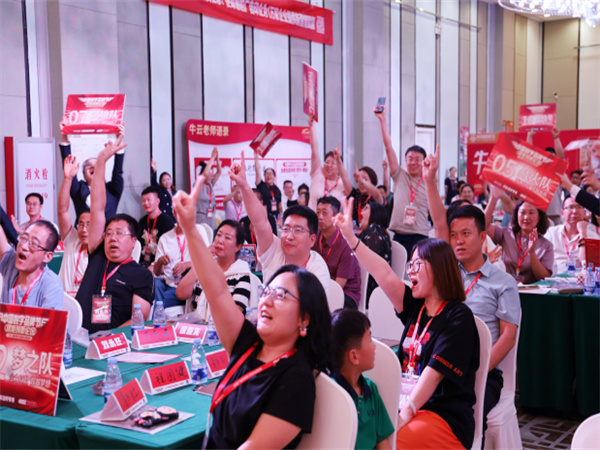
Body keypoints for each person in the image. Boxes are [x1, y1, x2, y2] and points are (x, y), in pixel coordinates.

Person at [172, 176, 331, 448]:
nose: (266, 301)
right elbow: (217, 291)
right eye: (267, 292)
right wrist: (190, 229)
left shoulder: (296, 379)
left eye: (281, 295)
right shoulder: (247, 344)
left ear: (305, 319)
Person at [334, 198, 479, 450]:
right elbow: (383, 272)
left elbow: (433, 375)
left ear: (439, 269)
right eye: (409, 264)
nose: (409, 271)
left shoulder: (458, 317)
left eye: (416, 264)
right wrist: (351, 239)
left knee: (387, 443)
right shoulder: (416, 306)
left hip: (442, 416)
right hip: (403, 404)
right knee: (356, 432)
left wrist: (404, 415)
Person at [446, 205, 520, 433]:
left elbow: (508, 337)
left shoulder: (503, 282)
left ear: (482, 237)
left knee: (459, 416)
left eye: (465, 233)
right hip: (443, 366)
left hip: (483, 374)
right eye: (453, 235)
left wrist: (478, 371)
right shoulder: (446, 276)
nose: (459, 241)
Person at [75, 136, 154, 333]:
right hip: (76, 337)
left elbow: (137, 322)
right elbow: (98, 206)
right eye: (109, 233)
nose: (112, 238)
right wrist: (101, 160)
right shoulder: (98, 253)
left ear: (134, 241)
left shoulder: (142, 275)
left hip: (111, 342)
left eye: (119, 233)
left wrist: (107, 340)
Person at [230, 151, 331, 292]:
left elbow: (308, 305)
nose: (289, 236)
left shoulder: (317, 268)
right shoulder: (275, 251)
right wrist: (243, 185)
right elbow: (260, 222)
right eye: (286, 229)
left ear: (312, 240)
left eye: (298, 230)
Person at [330, 309, 395, 450]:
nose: (374, 346)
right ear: (354, 356)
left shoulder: (371, 389)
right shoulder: (331, 395)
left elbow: (382, 442)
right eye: (370, 340)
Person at [375, 105, 428, 258]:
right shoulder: (399, 176)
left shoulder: (428, 182)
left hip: (420, 236)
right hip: (399, 235)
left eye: (417, 159)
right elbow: (388, 147)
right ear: (405, 160)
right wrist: (382, 120)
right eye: (410, 159)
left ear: (424, 162)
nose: (413, 162)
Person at [175, 219, 251, 322]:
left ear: (238, 247)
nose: (220, 241)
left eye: (227, 237)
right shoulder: (205, 265)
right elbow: (181, 293)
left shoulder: (241, 273)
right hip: (197, 327)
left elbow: (235, 315)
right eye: (219, 235)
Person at [58, 118, 125, 220]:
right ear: (84, 175)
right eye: (88, 165)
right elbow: (68, 166)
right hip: (82, 230)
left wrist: (119, 139)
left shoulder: (112, 190)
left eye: (97, 165)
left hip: (106, 230)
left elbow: (118, 171)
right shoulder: (79, 189)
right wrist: (64, 135)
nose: (93, 167)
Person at [485, 186, 553, 284]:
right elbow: (484, 226)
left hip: (532, 291)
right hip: (505, 287)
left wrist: (532, 253)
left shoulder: (546, 245)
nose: (526, 217)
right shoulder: (506, 233)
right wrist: (493, 198)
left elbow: (544, 278)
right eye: (522, 212)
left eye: (531, 213)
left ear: (539, 217)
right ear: (516, 215)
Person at [0, 219, 63, 309]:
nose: (24, 246)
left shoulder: (52, 285)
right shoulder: (10, 262)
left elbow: (48, 318)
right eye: (23, 238)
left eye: (33, 244)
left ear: (47, 257)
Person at [153, 209, 209, 308]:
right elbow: (157, 272)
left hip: (186, 287)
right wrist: (160, 262)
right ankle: (157, 311)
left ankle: (158, 311)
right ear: (174, 213)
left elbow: (207, 259)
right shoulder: (165, 238)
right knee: (154, 283)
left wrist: (186, 265)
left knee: (159, 302)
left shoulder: (199, 231)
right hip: (167, 282)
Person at [313, 197, 361, 308]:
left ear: (336, 217)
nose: (320, 217)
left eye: (325, 213)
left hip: (345, 294)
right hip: (322, 288)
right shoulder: (315, 236)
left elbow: (339, 285)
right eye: (318, 212)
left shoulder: (346, 243)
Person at [57, 155, 91, 296]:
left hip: (87, 304)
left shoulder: (103, 252)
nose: (83, 229)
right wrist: (67, 179)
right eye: (81, 224)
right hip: (63, 302)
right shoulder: (72, 239)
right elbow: (62, 210)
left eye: (89, 225)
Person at [544, 197, 599, 274]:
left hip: (579, 279)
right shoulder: (551, 233)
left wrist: (582, 233)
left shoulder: (592, 236)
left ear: (584, 213)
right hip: (554, 277)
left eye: (579, 207)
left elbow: (588, 265)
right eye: (570, 207)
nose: (574, 211)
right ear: (562, 213)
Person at [337, 147, 383, 227]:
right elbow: (344, 177)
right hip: (355, 232)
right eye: (358, 180)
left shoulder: (375, 197)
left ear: (372, 181)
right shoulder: (355, 194)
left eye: (365, 179)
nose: (361, 183)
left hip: (372, 232)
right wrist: (338, 160)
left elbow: (377, 193)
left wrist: (362, 180)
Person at [308, 114, 345, 211]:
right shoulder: (317, 173)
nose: (329, 165)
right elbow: (314, 149)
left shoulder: (343, 184)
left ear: (339, 168)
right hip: (313, 219)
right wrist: (312, 126)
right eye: (327, 162)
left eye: (333, 163)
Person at [358, 202, 392, 306]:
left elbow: (363, 262)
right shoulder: (375, 230)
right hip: (371, 287)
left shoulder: (374, 231)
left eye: (366, 208)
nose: (361, 211)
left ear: (375, 213)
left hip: (370, 291)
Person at [138, 186, 176, 267]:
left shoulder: (167, 222)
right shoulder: (142, 221)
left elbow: (170, 250)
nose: (146, 203)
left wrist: (154, 265)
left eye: (149, 200)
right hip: (143, 264)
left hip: (160, 266)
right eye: (143, 200)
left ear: (157, 201)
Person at [196, 147, 222, 229]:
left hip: (211, 217)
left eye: (212, 175)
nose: (211, 177)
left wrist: (217, 158)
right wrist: (212, 157)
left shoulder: (211, 184)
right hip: (201, 218)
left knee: (213, 235)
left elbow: (219, 172)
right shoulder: (198, 184)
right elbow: (205, 174)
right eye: (210, 175)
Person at [254, 150, 282, 220]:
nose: (268, 175)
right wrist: (256, 158)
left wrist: (281, 218)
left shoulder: (277, 190)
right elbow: (257, 171)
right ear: (264, 176)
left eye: (270, 173)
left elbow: (280, 205)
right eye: (266, 174)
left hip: (275, 218)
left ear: (274, 176)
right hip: (263, 217)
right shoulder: (261, 185)